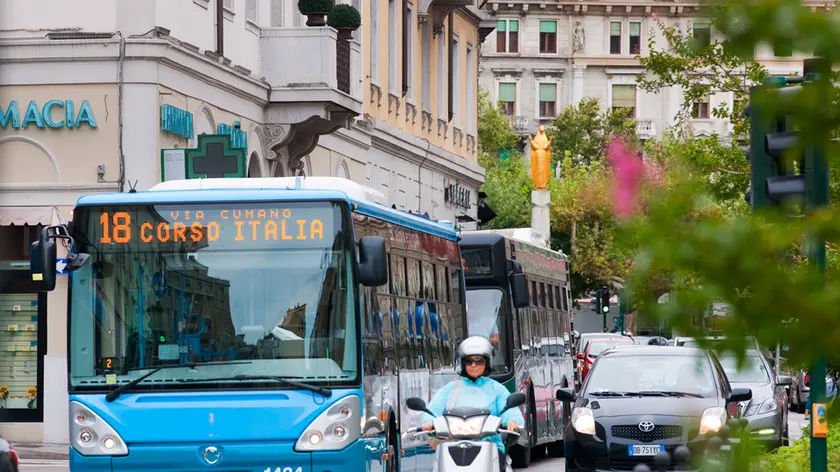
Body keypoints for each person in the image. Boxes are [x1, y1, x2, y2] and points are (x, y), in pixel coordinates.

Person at [421, 336, 524, 472]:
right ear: (462, 364)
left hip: (490, 444)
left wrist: (513, 421)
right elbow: (432, 409)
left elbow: (509, 409)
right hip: (453, 444)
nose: (473, 365)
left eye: (478, 361)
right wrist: (428, 422)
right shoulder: (451, 388)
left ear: (487, 362)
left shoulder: (496, 389)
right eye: (469, 361)